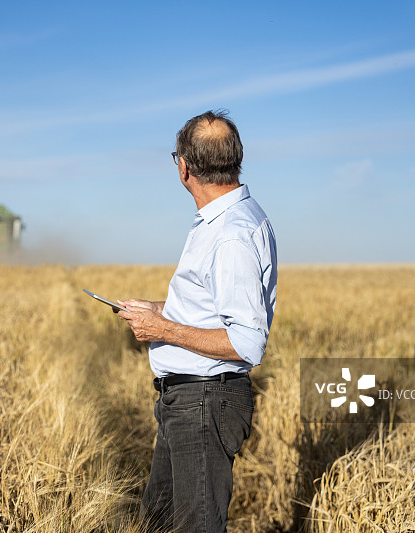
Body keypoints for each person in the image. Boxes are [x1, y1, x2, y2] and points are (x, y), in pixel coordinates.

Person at [117, 110, 277, 532]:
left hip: (205, 402)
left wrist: (163, 330)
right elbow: (211, 305)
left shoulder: (231, 234)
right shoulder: (221, 221)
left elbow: (247, 343)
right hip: (188, 401)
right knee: (159, 520)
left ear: (184, 168)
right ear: (235, 158)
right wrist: (156, 310)